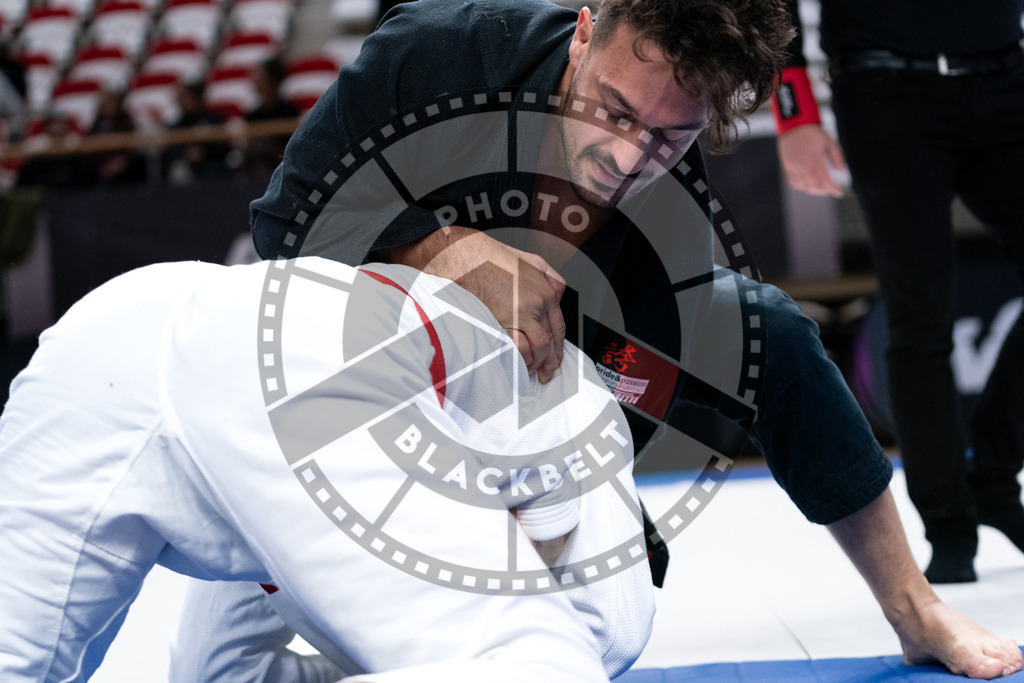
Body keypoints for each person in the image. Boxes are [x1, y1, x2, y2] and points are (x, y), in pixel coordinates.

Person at [231, 0, 1024, 677]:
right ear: (583, 34)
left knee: (769, 338)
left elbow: (640, 379)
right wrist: (442, 249)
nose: (623, 157)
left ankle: (916, 605)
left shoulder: (665, 214)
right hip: (364, 364)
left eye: (666, 137)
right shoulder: (441, 54)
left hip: (527, 382)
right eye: (613, 111)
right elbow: (283, 220)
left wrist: (581, 486)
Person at [0, 256, 653, 682]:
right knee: (551, 661)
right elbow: (544, 513)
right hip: (292, 365)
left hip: (113, 332)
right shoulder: (553, 400)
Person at [771, 0, 1024, 584]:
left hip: (1003, 71)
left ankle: (994, 473)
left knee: (921, 316)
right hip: (884, 88)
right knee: (919, 311)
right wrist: (794, 112)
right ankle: (948, 524)